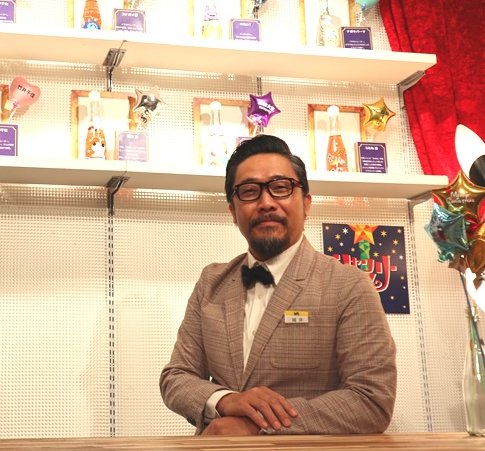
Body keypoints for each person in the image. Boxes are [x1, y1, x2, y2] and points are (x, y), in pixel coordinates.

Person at [159, 135, 396, 436]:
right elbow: (176, 377)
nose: (266, 203)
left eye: (281, 187)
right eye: (249, 192)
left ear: (306, 203)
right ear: (232, 211)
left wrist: (255, 424)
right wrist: (226, 400)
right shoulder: (211, 283)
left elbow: (371, 401)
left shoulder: (348, 285)